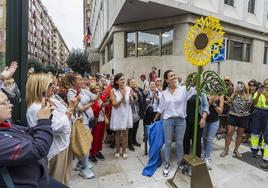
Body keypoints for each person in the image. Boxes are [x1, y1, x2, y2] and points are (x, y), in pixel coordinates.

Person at [0, 91, 67, 188]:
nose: (10, 105)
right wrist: (44, 121)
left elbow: (30, 132)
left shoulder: (4, 125)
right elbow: (37, 149)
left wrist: (46, 117)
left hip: (38, 180)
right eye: (4, 102)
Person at [25, 73, 78, 185]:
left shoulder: (50, 100)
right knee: (57, 180)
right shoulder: (35, 108)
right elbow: (56, 127)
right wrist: (70, 110)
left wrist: (69, 112)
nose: (55, 87)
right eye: (50, 84)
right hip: (55, 151)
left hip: (63, 144)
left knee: (64, 179)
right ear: (40, 87)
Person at [154, 70, 195, 177]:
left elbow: (196, 89)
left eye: (174, 75)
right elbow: (161, 107)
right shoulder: (164, 93)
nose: (174, 77)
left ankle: (180, 162)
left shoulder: (184, 89)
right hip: (168, 120)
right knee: (167, 142)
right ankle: (167, 163)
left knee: (179, 142)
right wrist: (156, 118)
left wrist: (199, 73)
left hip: (181, 120)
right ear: (167, 80)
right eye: (171, 76)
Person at [66, 73, 95, 179]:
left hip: (89, 120)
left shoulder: (83, 90)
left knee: (87, 142)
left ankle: (80, 163)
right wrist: (91, 103)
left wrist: (100, 91)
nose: (82, 80)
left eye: (82, 79)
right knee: (85, 144)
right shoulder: (71, 93)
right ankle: (84, 169)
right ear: (73, 82)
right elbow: (79, 109)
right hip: (82, 122)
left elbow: (95, 97)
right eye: (79, 79)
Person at [220, 81, 252, 158]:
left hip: (244, 117)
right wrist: (234, 94)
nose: (241, 88)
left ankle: (236, 149)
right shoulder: (235, 94)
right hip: (233, 115)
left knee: (240, 134)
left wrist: (245, 96)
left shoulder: (249, 95)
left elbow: (247, 107)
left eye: (243, 86)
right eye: (240, 86)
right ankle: (226, 149)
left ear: (245, 88)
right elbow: (228, 102)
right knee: (229, 132)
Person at [110, 73, 133, 159]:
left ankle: (124, 151)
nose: (123, 81)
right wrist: (122, 99)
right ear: (116, 81)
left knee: (126, 133)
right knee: (117, 133)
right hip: (117, 113)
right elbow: (114, 104)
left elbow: (131, 103)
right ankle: (117, 151)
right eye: (121, 79)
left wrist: (131, 97)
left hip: (126, 112)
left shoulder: (129, 89)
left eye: (124, 79)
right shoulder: (113, 91)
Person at [250, 79, 268, 169]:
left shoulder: (266, 93)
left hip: (267, 113)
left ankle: (264, 151)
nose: (266, 86)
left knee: (266, 134)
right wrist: (259, 94)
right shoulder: (259, 91)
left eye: (267, 84)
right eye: (265, 84)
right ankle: (254, 151)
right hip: (257, 112)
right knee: (255, 132)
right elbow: (254, 102)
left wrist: (266, 94)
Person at [203, 94, 224, 170]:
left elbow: (220, 111)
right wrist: (209, 101)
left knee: (210, 139)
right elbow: (203, 109)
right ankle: (205, 154)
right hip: (205, 119)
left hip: (214, 121)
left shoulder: (220, 96)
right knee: (204, 138)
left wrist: (214, 104)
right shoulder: (204, 94)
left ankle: (207, 157)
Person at [89, 83, 109, 162]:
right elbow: (93, 111)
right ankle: (92, 153)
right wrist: (100, 107)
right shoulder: (92, 99)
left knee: (100, 137)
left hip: (102, 119)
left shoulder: (100, 98)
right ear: (92, 90)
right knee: (95, 138)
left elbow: (106, 98)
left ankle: (98, 151)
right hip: (96, 120)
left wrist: (105, 104)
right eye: (96, 88)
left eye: (99, 88)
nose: (98, 89)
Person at [128, 78, 144, 151]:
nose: (133, 82)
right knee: (131, 129)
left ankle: (134, 141)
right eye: (132, 81)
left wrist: (138, 92)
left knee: (136, 128)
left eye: (134, 81)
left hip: (137, 110)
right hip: (130, 111)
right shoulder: (128, 90)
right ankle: (130, 143)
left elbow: (142, 98)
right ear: (129, 83)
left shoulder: (139, 89)